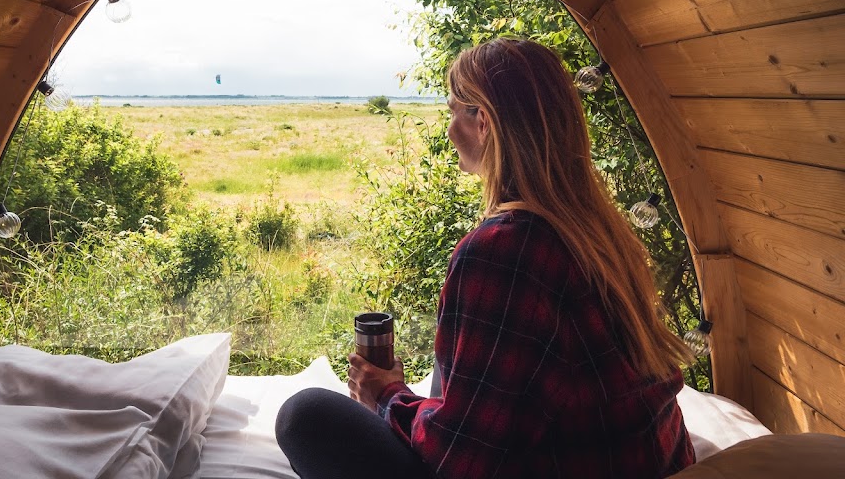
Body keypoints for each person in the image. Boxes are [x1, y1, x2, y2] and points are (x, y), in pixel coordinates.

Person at [275, 38, 696, 478]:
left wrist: (388, 396)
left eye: (454, 109)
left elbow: (464, 458)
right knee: (444, 376)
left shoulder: (505, 252)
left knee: (304, 416)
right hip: (646, 460)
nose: (450, 128)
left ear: (484, 122)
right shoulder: (601, 233)